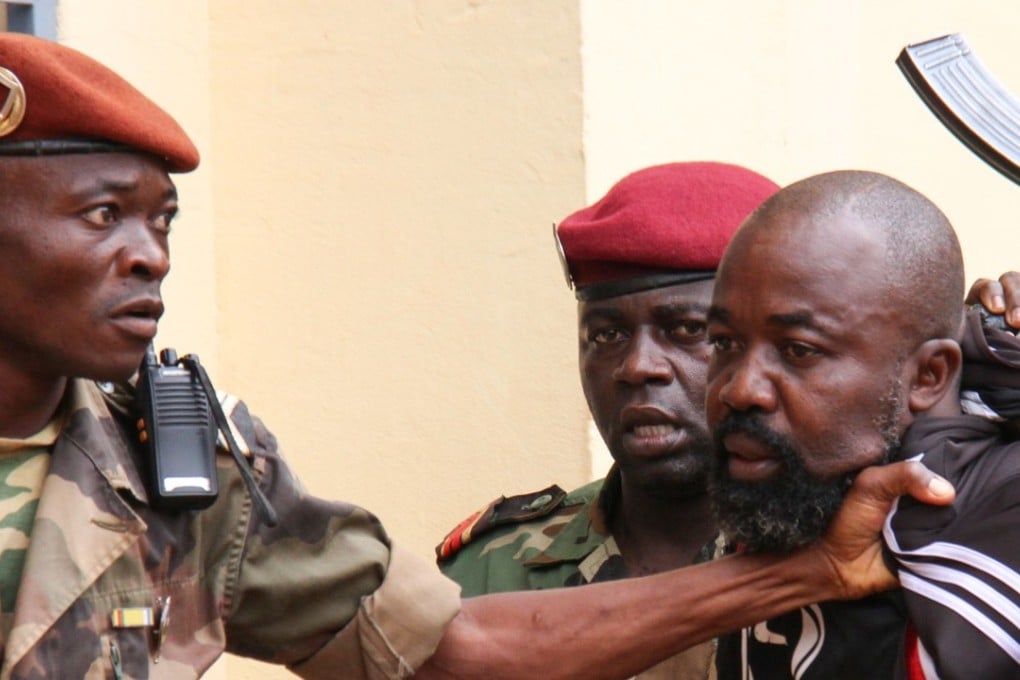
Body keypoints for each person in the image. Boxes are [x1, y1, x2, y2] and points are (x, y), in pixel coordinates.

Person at [0, 33, 957, 680]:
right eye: (101, 214)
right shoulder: (505, 550)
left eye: (161, 221)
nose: (150, 255)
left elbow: (443, 647)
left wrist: (811, 573)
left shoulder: (178, 464)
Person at [438, 161, 780, 679]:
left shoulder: (845, 563)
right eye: (606, 335)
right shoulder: (493, 569)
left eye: (687, 329)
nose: (638, 366)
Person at [705, 169, 1020, 678]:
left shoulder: (998, 518)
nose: (739, 389)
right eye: (724, 342)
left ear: (928, 375)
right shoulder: (790, 491)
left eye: (799, 351)